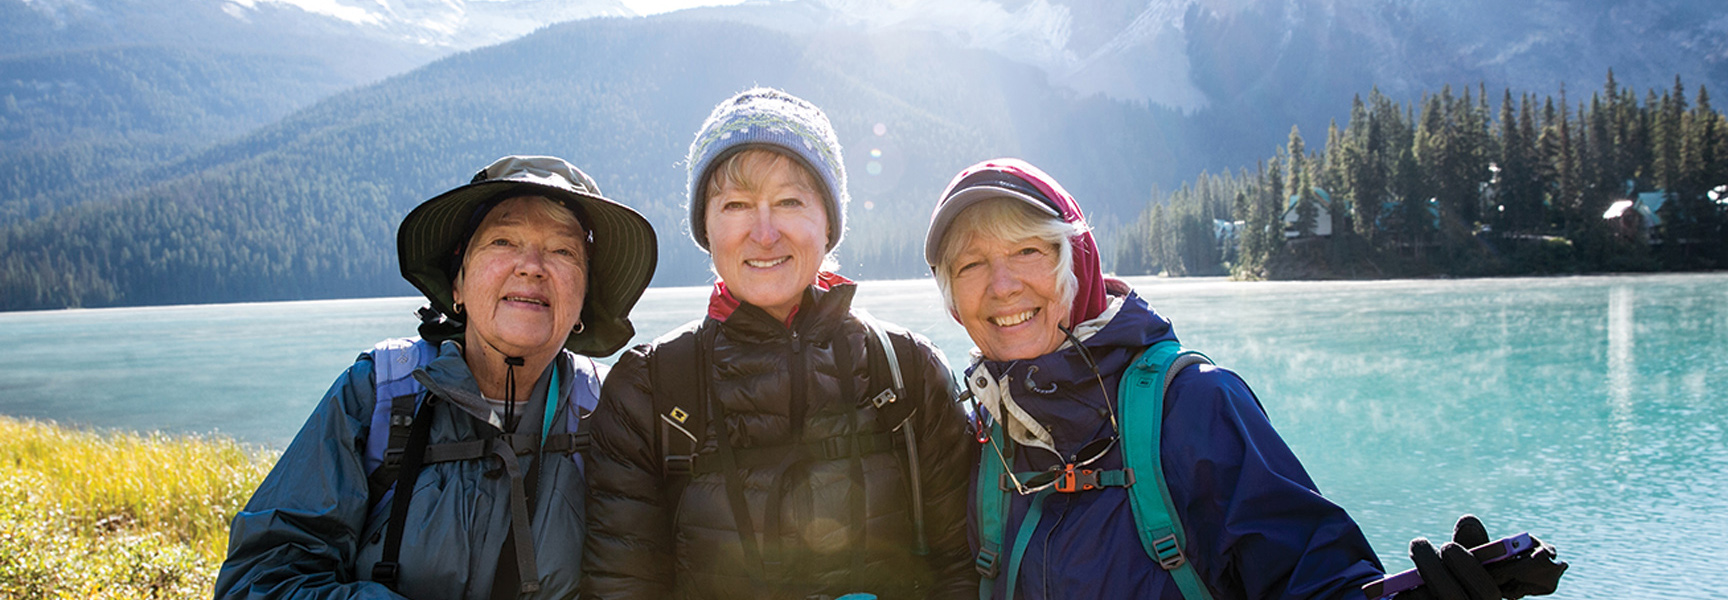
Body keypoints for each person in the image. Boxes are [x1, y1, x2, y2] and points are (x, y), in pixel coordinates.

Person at [922, 158, 1568, 600]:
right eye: (973, 264)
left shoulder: (1193, 405)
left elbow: (1317, 582)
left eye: (1028, 251)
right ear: (953, 298)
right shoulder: (981, 435)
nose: (1003, 285)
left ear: (1078, 261)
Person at [582, 88, 978, 599]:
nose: (764, 233)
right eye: (736, 205)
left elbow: (960, 570)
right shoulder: (651, 390)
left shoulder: (905, 370)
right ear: (706, 226)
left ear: (829, 223)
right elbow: (623, 589)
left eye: (790, 201)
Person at [215, 155, 658, 599]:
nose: (531, 266)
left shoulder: (610, 412)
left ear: (584, 298)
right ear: (458, 286)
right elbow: (260, 579)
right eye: (503, 241)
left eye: (563, 251)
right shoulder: (378, 393)